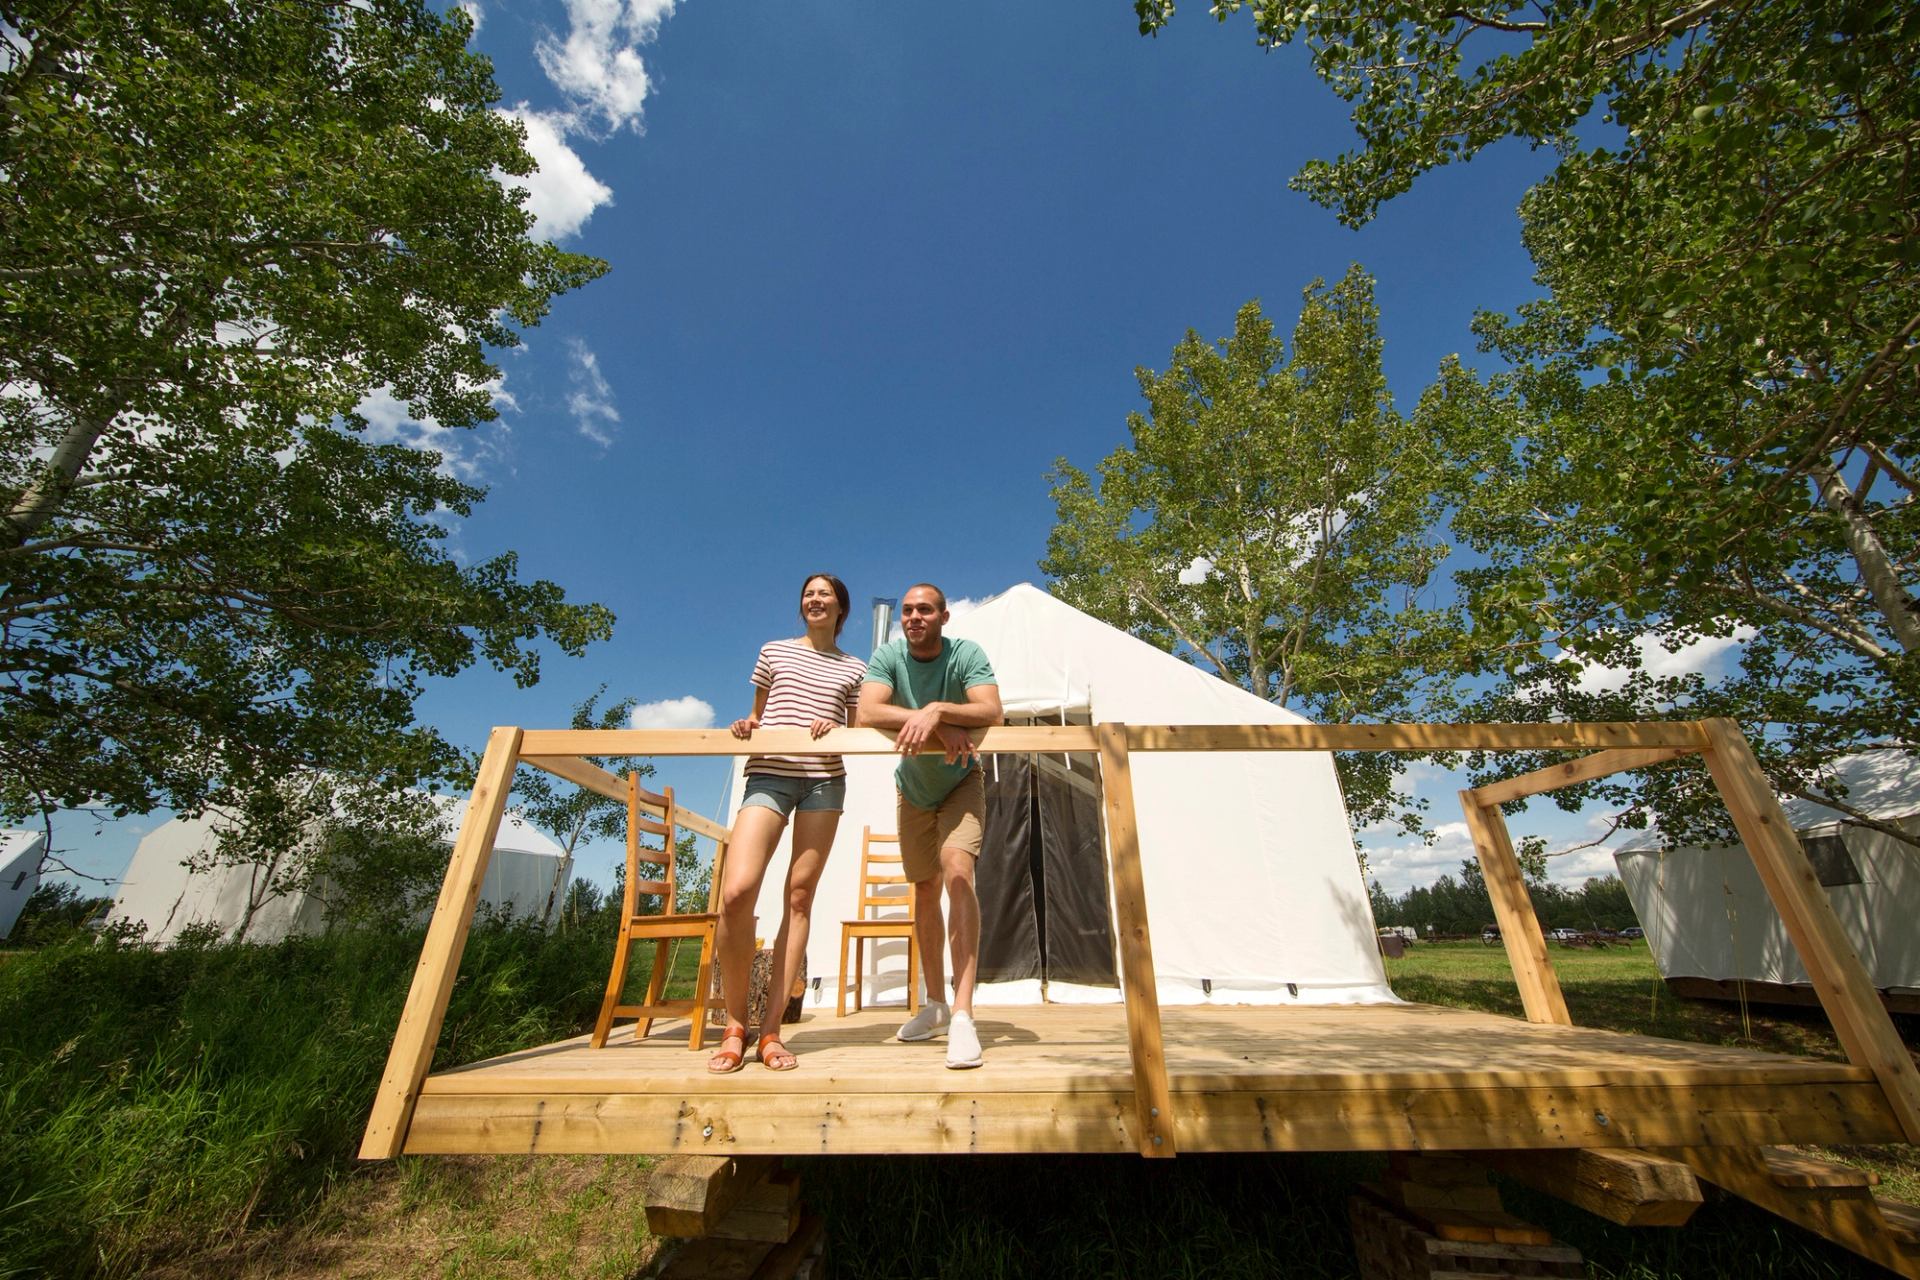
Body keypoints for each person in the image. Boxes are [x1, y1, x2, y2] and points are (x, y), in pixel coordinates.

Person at [709, 573, 869, 1073]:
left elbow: (859, 728)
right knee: (737, 892)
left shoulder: (856, 667)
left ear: (841, 608)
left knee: (799, 896)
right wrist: (746, 725)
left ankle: (771, 1030)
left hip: (824, 782)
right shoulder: (774, 651)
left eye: (824, 594)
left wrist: (839, 726)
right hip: (769, 776)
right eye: (808, 594)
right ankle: (736, 1022)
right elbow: (758, 714)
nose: (814, 599)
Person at [856, 583, 1002, 1068]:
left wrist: (939, 708)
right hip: (913, 789)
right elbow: (868, 711)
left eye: (924, 610)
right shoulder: (889, 657)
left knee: (958, 871)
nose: (914, 617)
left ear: (943, 617)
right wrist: (934, 721)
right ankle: (935, 1004)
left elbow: (991, 710)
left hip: (962, 780)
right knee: (923, 888)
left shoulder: (965, 654)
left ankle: (963, 1013)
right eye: (907, 611)